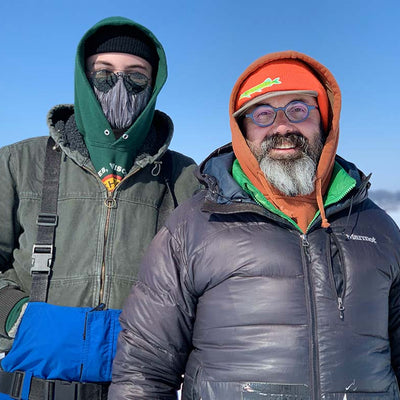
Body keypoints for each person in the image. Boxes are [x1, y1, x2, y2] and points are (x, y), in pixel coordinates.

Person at [109, 50, 400, 399]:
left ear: (324, 120)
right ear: (243, 131)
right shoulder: (194, 226)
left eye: (298, 109)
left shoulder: (377, 227)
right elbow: (143, 372)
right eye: (262, 114)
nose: (282, 126)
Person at [0, 16, 199, 400]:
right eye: (104, 73)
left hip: (139, 389)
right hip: (30, 386)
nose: (119, 86)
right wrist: (17, 315)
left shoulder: (186, 178)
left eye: (136, 75)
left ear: (154, 84)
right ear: (83, 78)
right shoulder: (18, 164)